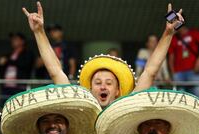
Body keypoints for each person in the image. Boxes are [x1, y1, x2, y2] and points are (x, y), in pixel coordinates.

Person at [23, 2, 184, 108]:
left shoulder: (127, 107)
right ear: (90, 88)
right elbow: (56, 72)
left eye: (109, 83)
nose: (103, 87)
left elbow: (150, 72)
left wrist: (168, 34)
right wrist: (39, 32)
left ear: (117, 91)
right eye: (98, 82)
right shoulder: (80, 109)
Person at [168, 24, 199, 101]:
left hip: (194, 71)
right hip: (178, 73)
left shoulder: (194, 33)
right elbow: (171, 57)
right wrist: (173, 73)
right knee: (179, 101)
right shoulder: (173, 38)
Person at [0, 32, 35, 105]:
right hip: (6, 88)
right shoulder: (7, 55)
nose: (13, 41)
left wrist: (8, 61)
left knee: (19, 108)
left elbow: (25, 65)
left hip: (20, 87)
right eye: (12, 39)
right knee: (5, 108)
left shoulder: (28, 54)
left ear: (22, 41)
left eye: (16, 39)